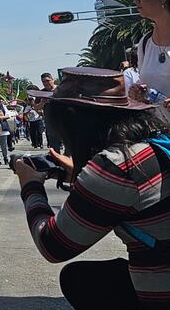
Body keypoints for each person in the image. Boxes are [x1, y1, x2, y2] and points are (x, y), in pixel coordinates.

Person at [14, 66, 170, 309]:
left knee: (79, 280)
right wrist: (78, 172)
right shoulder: (153, 144)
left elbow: (52, 245)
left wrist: (30, 186)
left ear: (71, 121)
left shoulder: (118, 165)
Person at [118, 0, 170, 127]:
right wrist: (138, 92)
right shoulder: (145, 42)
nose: (136, 0)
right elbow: (145, 83)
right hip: (160, 131)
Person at [40, 73, 63, 153]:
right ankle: (58, 162)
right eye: (43, 82)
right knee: (54, 143)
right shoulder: (42, 92)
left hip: (63, 119)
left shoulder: (61, 89)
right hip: (50, 121)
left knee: (69, 143)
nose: (46, 83)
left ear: (52, 80)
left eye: (47, 80)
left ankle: (68, 160)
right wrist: (42, 103)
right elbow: (36, 107)